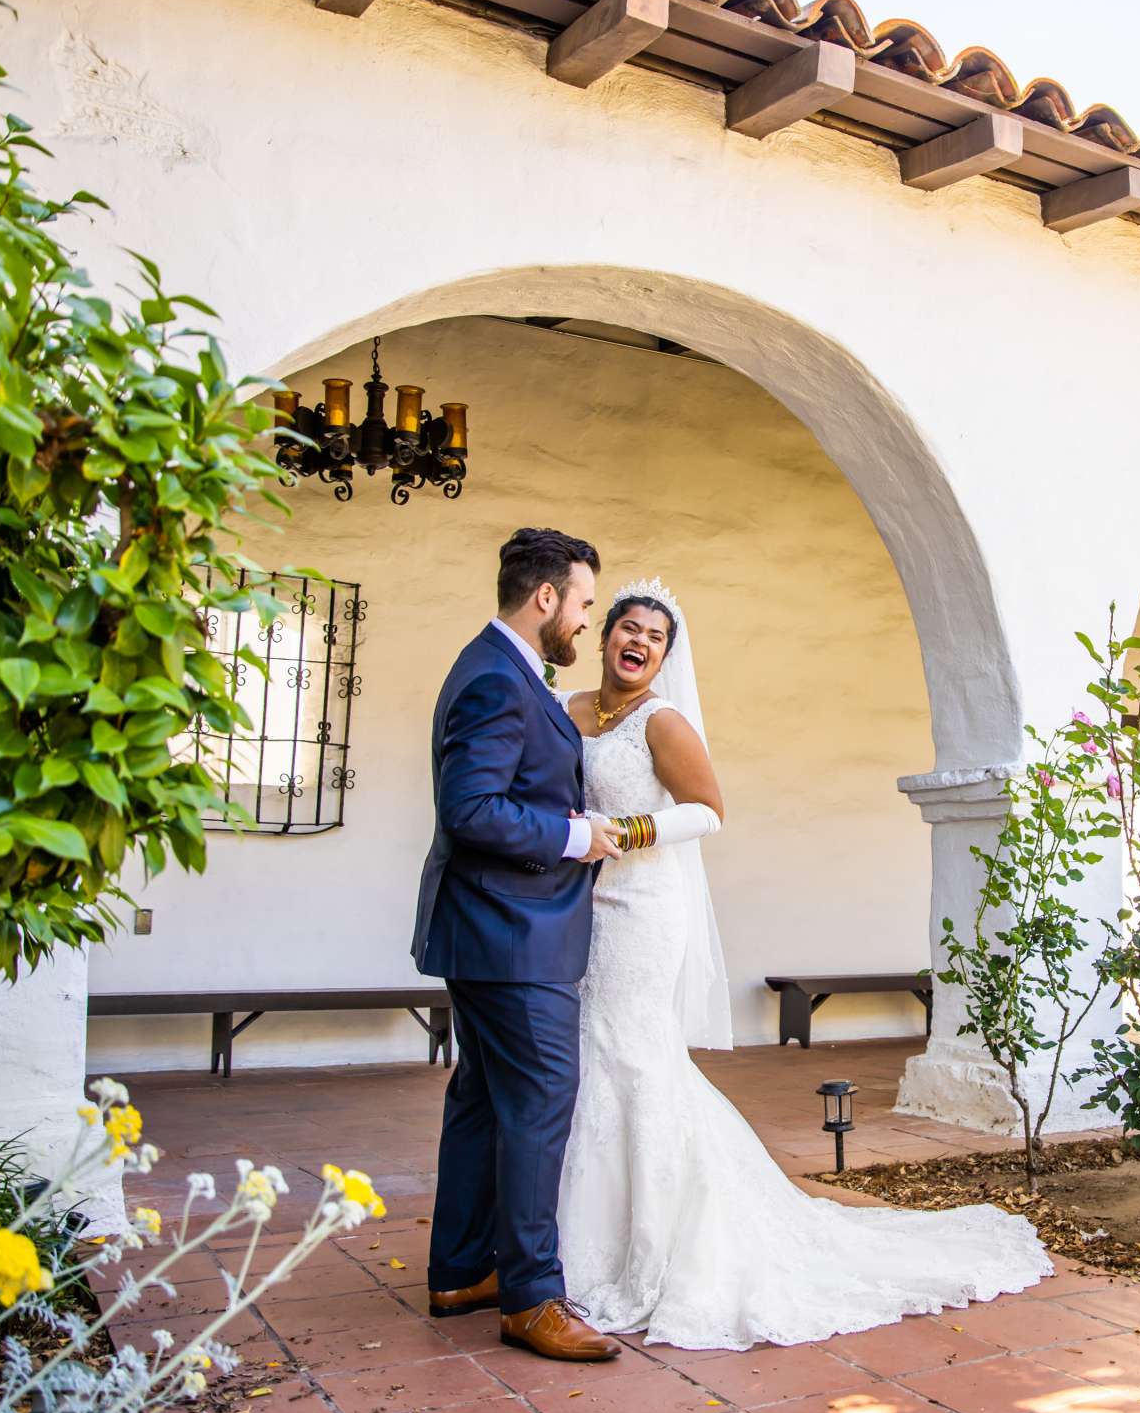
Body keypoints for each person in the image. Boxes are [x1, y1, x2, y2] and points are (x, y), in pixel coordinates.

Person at [550, 576, 1049, 1349]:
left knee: (632, 1055)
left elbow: (708, 810)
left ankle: (647, 1245)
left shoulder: (663, 722)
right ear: (606, 632)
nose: (638, 642)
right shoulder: (572, 709)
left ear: (666, 655)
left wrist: (624, 832)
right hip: (580, 903)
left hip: (642, 910)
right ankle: (579, 1234)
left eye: (655, 636)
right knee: (595, 1054)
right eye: (628, 628)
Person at [413, 527, 627, 1363]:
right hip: (510, 933)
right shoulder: (496, 681)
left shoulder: (498, 668)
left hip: (493, 927)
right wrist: (576, 836)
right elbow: (472, 810)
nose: (583, 621)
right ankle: (532, 1296)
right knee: (540, 1103)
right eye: (581, 604)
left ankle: (463, 1270)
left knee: (481, 1101)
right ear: (546, 598)